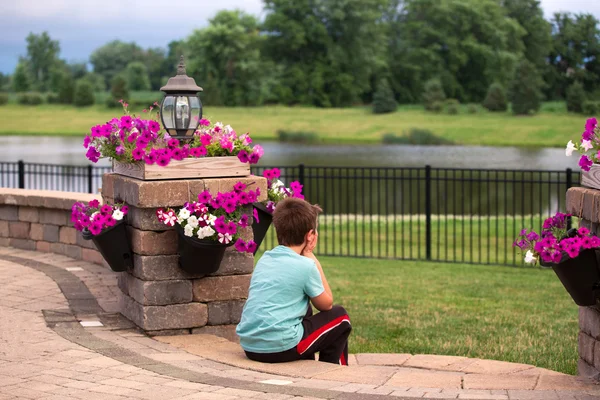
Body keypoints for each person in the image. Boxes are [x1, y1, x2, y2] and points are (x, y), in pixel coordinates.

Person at [236, 197, 352, 365]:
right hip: (280, 348)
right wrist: (311, 257)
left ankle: (309, 363)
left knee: (304, 308)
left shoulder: (265, 258)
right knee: (341, 318)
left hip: (250, 346)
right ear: (310, 235)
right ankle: (332, 369)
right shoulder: (305, 266)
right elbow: (327, 304)